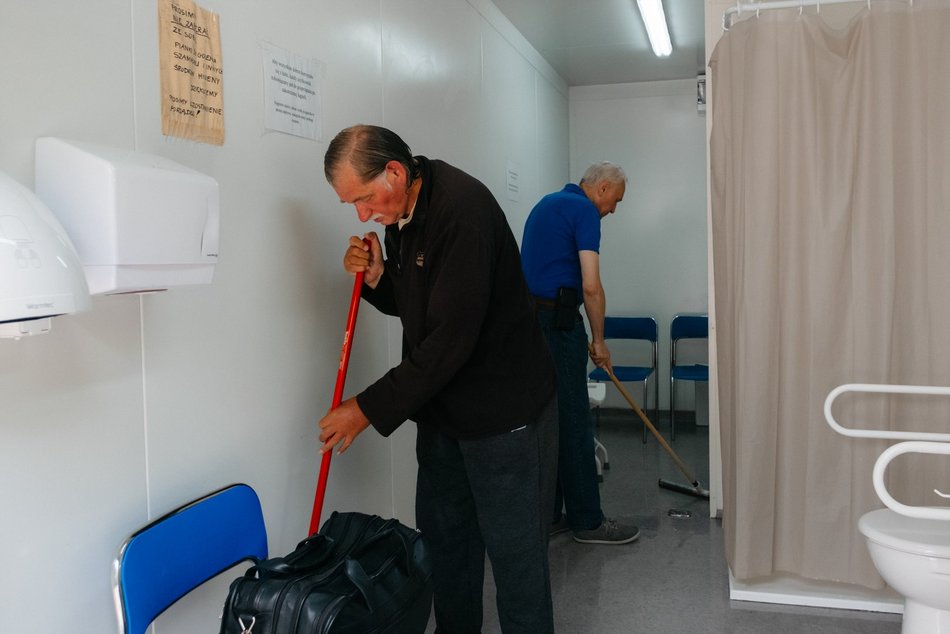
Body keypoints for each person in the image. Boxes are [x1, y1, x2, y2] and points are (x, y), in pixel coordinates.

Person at [317, 124, 559, 634]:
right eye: (351, 206)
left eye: (363, 198)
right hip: (444, 414)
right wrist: (379, 278)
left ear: (396, 171)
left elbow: (449, 342)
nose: (362, 214)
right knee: (448, 549)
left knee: (517, 562)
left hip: (503, 416)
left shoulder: (462, 213)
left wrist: (364, 409)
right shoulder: (400, 211)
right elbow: (421, 307)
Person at [520, 161, 639, 545]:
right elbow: (591, 285)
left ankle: (550, 515)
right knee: (573, 420)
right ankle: (588, 521)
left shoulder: (545, 204)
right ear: (602, 188)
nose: (613, 210)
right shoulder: (584, 210)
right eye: (615, 200)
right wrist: (600, 340)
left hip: (528, 325)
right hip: (559, 324)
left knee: (547, 421)